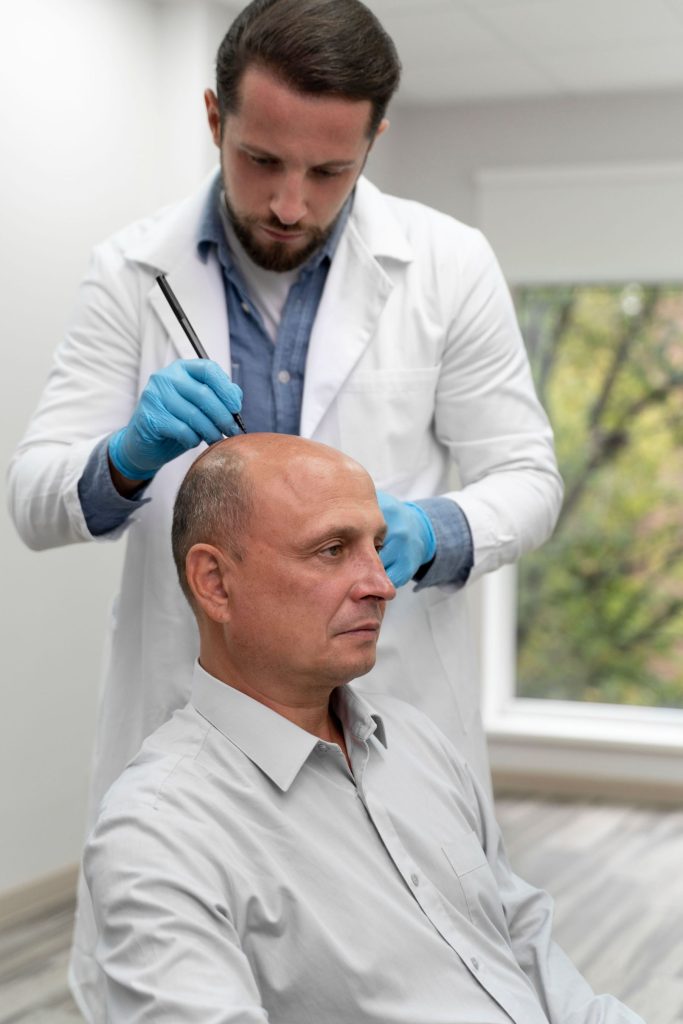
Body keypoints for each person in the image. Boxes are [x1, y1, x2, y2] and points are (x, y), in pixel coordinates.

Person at [8, 0, 562, 1014]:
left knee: (417, 970)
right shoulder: (130, 273)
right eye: (261, 160)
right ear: (214, 118)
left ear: (371, 143)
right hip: (196, 722)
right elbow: (35, 498)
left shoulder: (446, 265)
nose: (289, 204)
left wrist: (425, 531)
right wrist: (124, 458)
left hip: (382, 720)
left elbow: (527, 477)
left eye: (327, 173)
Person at [84, 433, 641, 1024]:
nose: (382, 583)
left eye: (375, 546)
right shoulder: (159, 834)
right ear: (216, 583)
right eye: (331, 549)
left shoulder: (418, 743)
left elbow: (525, 944)